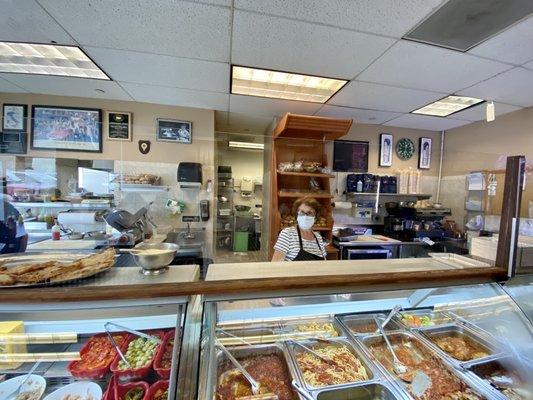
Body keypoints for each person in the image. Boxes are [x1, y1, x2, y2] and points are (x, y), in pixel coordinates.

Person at [272, 196, 326, 261]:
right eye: (302, 212)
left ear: (315, 217)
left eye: (310, 213)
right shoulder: (287, 234)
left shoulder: (318, 237)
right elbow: (276, 263)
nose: (305, 216)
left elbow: (324, 263)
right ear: (297, 215)